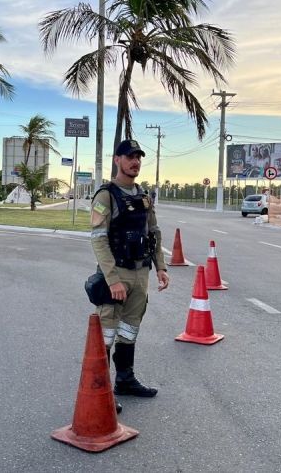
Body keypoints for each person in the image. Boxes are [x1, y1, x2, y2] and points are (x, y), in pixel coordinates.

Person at [90, 139, 170, 406]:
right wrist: (112, 279)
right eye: (129, 156)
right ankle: (98, 392)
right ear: (117, 160)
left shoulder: (144, 196)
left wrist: (161, 267)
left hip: (140, 274)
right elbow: (99, 239)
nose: (135, 161)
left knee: (129, 330)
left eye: (138, 157)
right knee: (107, 334)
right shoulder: (106, 195)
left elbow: (153, 234)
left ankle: (124, 380)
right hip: (118, 274)